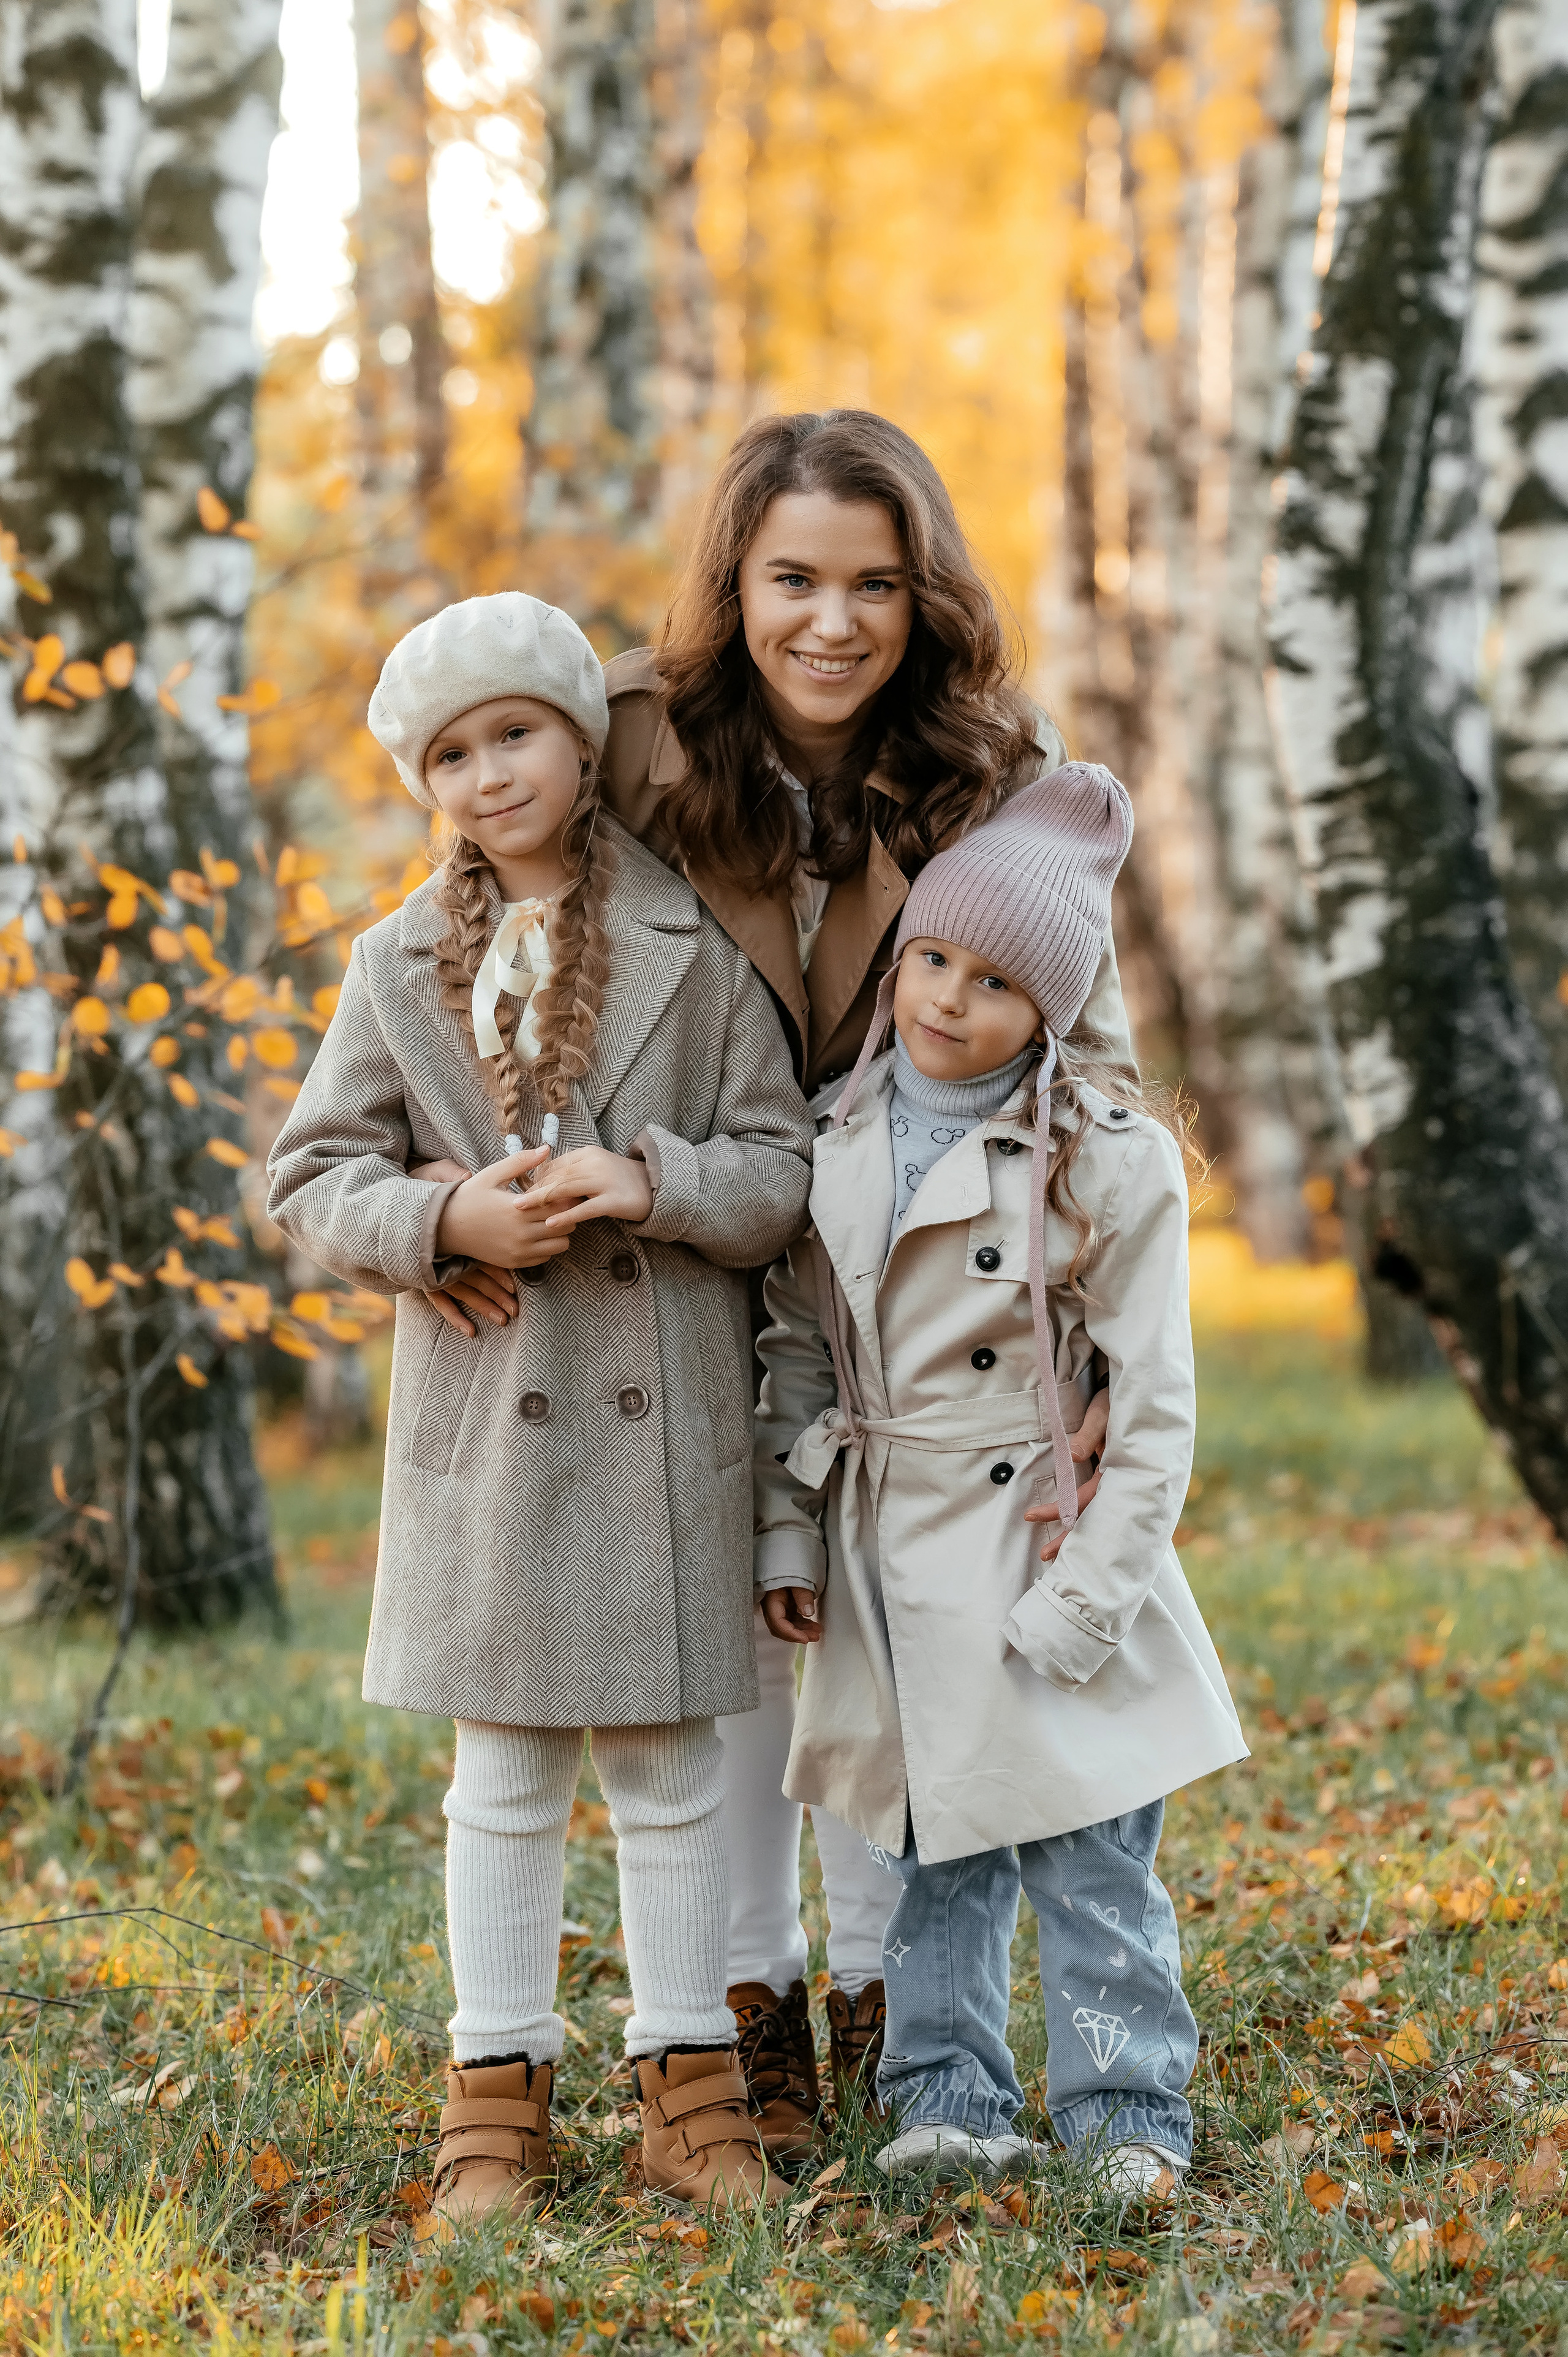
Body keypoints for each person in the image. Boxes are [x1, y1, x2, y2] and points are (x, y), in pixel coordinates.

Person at [424, 412, 1134, 2157]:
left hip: (909, 1243)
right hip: (674, 1226)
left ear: (922, 594)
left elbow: (1084, 1035)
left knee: (889, 1603)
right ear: (733, 583)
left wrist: (1097, 1334)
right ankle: (749, 2007)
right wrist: (442, 1206)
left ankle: (889, 1998)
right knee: (735, 1609)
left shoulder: (994, 760)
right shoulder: (628, 732)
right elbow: (479, 922)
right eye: (792, 579)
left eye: (874, 584)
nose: (832, 622)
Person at [266, 592, 813, 2226]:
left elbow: (779, 1167)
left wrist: (651, 1184)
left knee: (667, 1770)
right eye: (451, 755)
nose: (489, 774)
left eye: (515, 734)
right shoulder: (392, 964)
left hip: (661, 1427)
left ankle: (688, 2090)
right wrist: (440, 1220)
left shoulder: (696, 942)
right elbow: (311, 1175)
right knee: (500, 1778)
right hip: (489, 1420)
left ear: (580, 742)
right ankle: (494, 2093)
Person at [753, 762, 1247, 2195]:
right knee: (930, 1856)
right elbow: (797, 1349)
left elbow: (1150, 1409)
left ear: (1049, 1009)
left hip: (1042, 1536)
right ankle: (945, 2095)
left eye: (994, 982)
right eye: (931, 960)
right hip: (889, 1545)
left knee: (1092, 1858)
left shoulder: (1106, 1158)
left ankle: (1125, 2110)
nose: (948, 1000)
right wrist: (787, 1534)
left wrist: (1089, 1599)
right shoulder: (834, 1133)